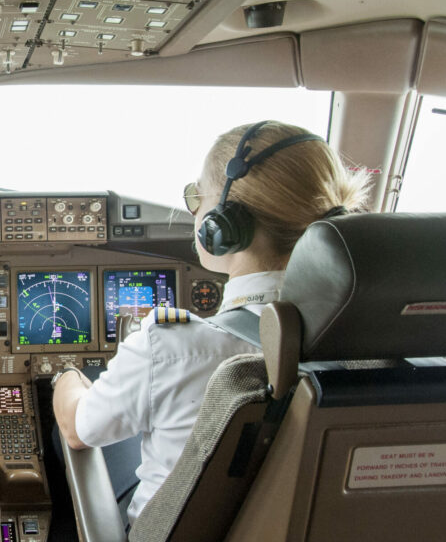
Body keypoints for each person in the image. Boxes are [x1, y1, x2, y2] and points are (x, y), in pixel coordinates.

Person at [52, 120, 370, 523]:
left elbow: (77, 429)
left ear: (224, 227)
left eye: (196, 196)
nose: (196, 210)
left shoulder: (171, 346)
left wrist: (67, 377)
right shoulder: (377, 355)